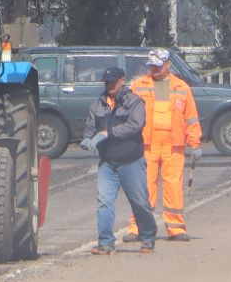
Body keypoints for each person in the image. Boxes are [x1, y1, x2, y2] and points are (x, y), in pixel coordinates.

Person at [124, 48, 203, 242]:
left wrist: (195, 143)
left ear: (168, 64)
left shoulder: (182, 88)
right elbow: (125, 114)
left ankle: (176, 229)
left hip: (173, 145)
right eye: (152, 66)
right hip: (146, 145)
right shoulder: (138, 86)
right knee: (143, 187)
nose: (155, 69)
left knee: (173, 187)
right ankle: (138, 228)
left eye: (159, 66)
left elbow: (191, 118)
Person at [84, 66, 158, 254]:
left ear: (122, 81)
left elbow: (136, 125)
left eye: (113, 82)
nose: (110, 85)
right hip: (108, 163)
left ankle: (148, 237)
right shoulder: (97, 105)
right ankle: (105, 242)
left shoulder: (134, 102)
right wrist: (87, 139)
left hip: (131, 160)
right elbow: (90, 128)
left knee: (139, 201)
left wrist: (108, 133)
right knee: (104, 201)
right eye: (107, 82)